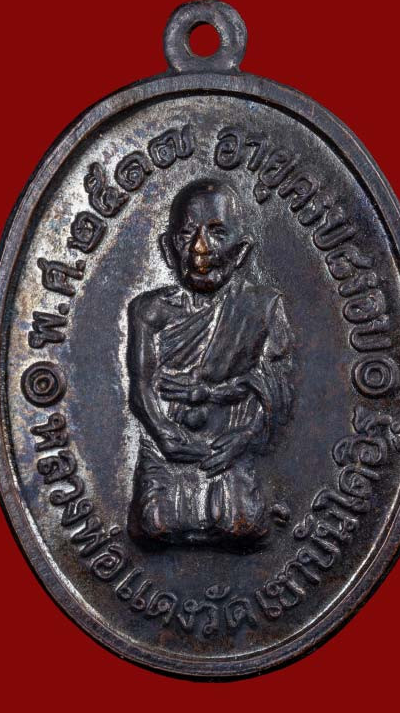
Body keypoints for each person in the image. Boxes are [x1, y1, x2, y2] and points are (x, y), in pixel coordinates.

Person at [127, 179, 293, 547]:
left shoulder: (261, 307)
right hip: (167, 445)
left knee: (239, 523)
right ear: (169, 249)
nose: (200, 249)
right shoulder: (148, 311)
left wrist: (245, 438)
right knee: (156, 523)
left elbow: (278, 385)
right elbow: (141, 387)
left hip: (230, 444)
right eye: (187, 234)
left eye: (217, 233)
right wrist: (162, 432)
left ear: (241, 251)